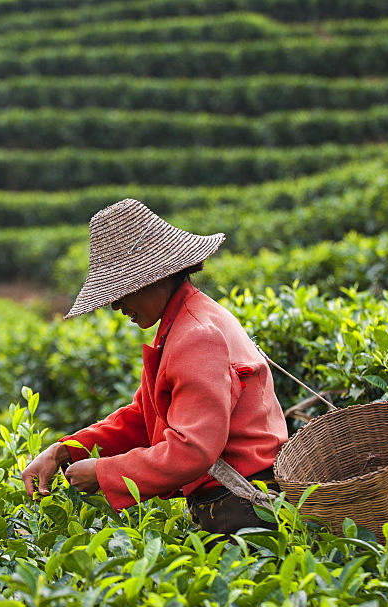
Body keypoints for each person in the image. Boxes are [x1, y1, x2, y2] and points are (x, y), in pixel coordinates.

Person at [21, 198, 289, 534]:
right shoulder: (187, 321)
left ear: (157, 276)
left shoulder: (196, 335)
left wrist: (104, 473)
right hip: (239, 500)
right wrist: (65, 451)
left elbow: (192, 449)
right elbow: (143, 416)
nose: (117, 304)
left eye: (122, 291)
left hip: (241, 507)